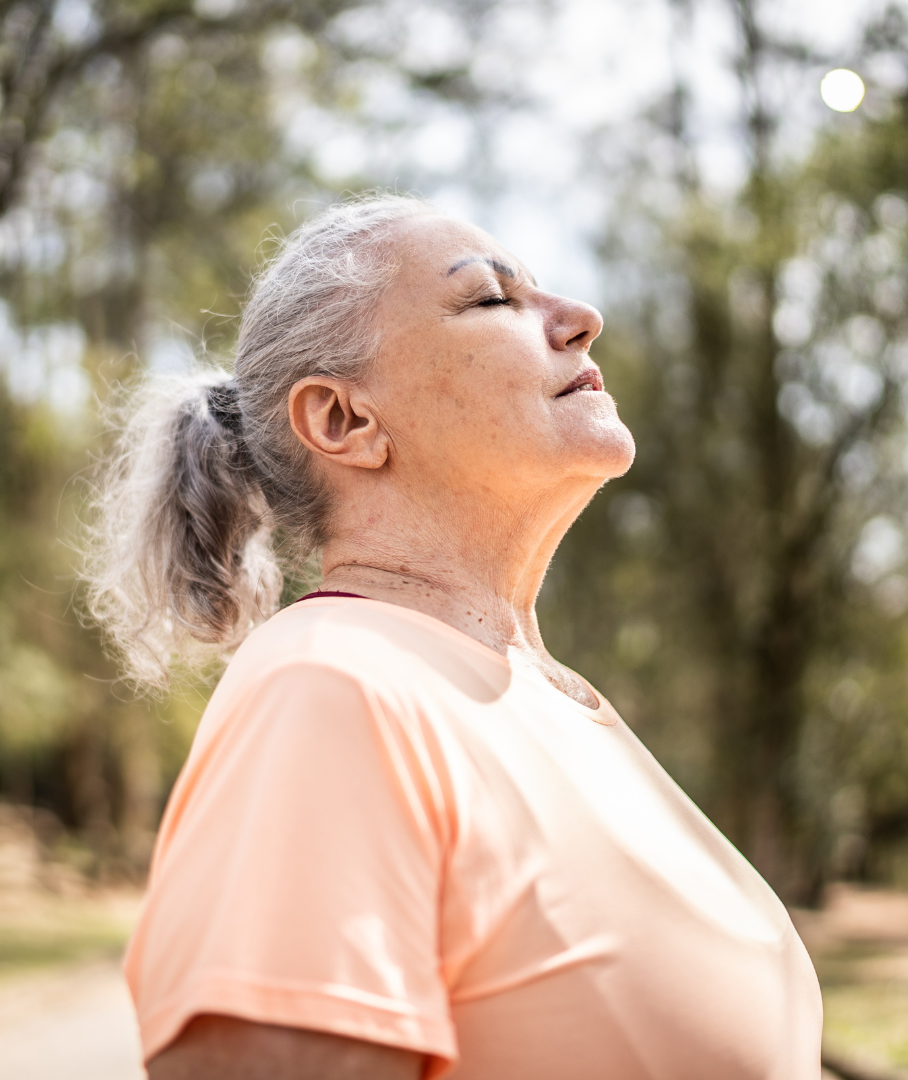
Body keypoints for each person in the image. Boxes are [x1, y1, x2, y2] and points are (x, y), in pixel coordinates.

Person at [83, 193, 822, 1080]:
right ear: (343, 422)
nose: (582, 320)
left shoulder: (551, 700)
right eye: (491, 300)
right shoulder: (332, 688)